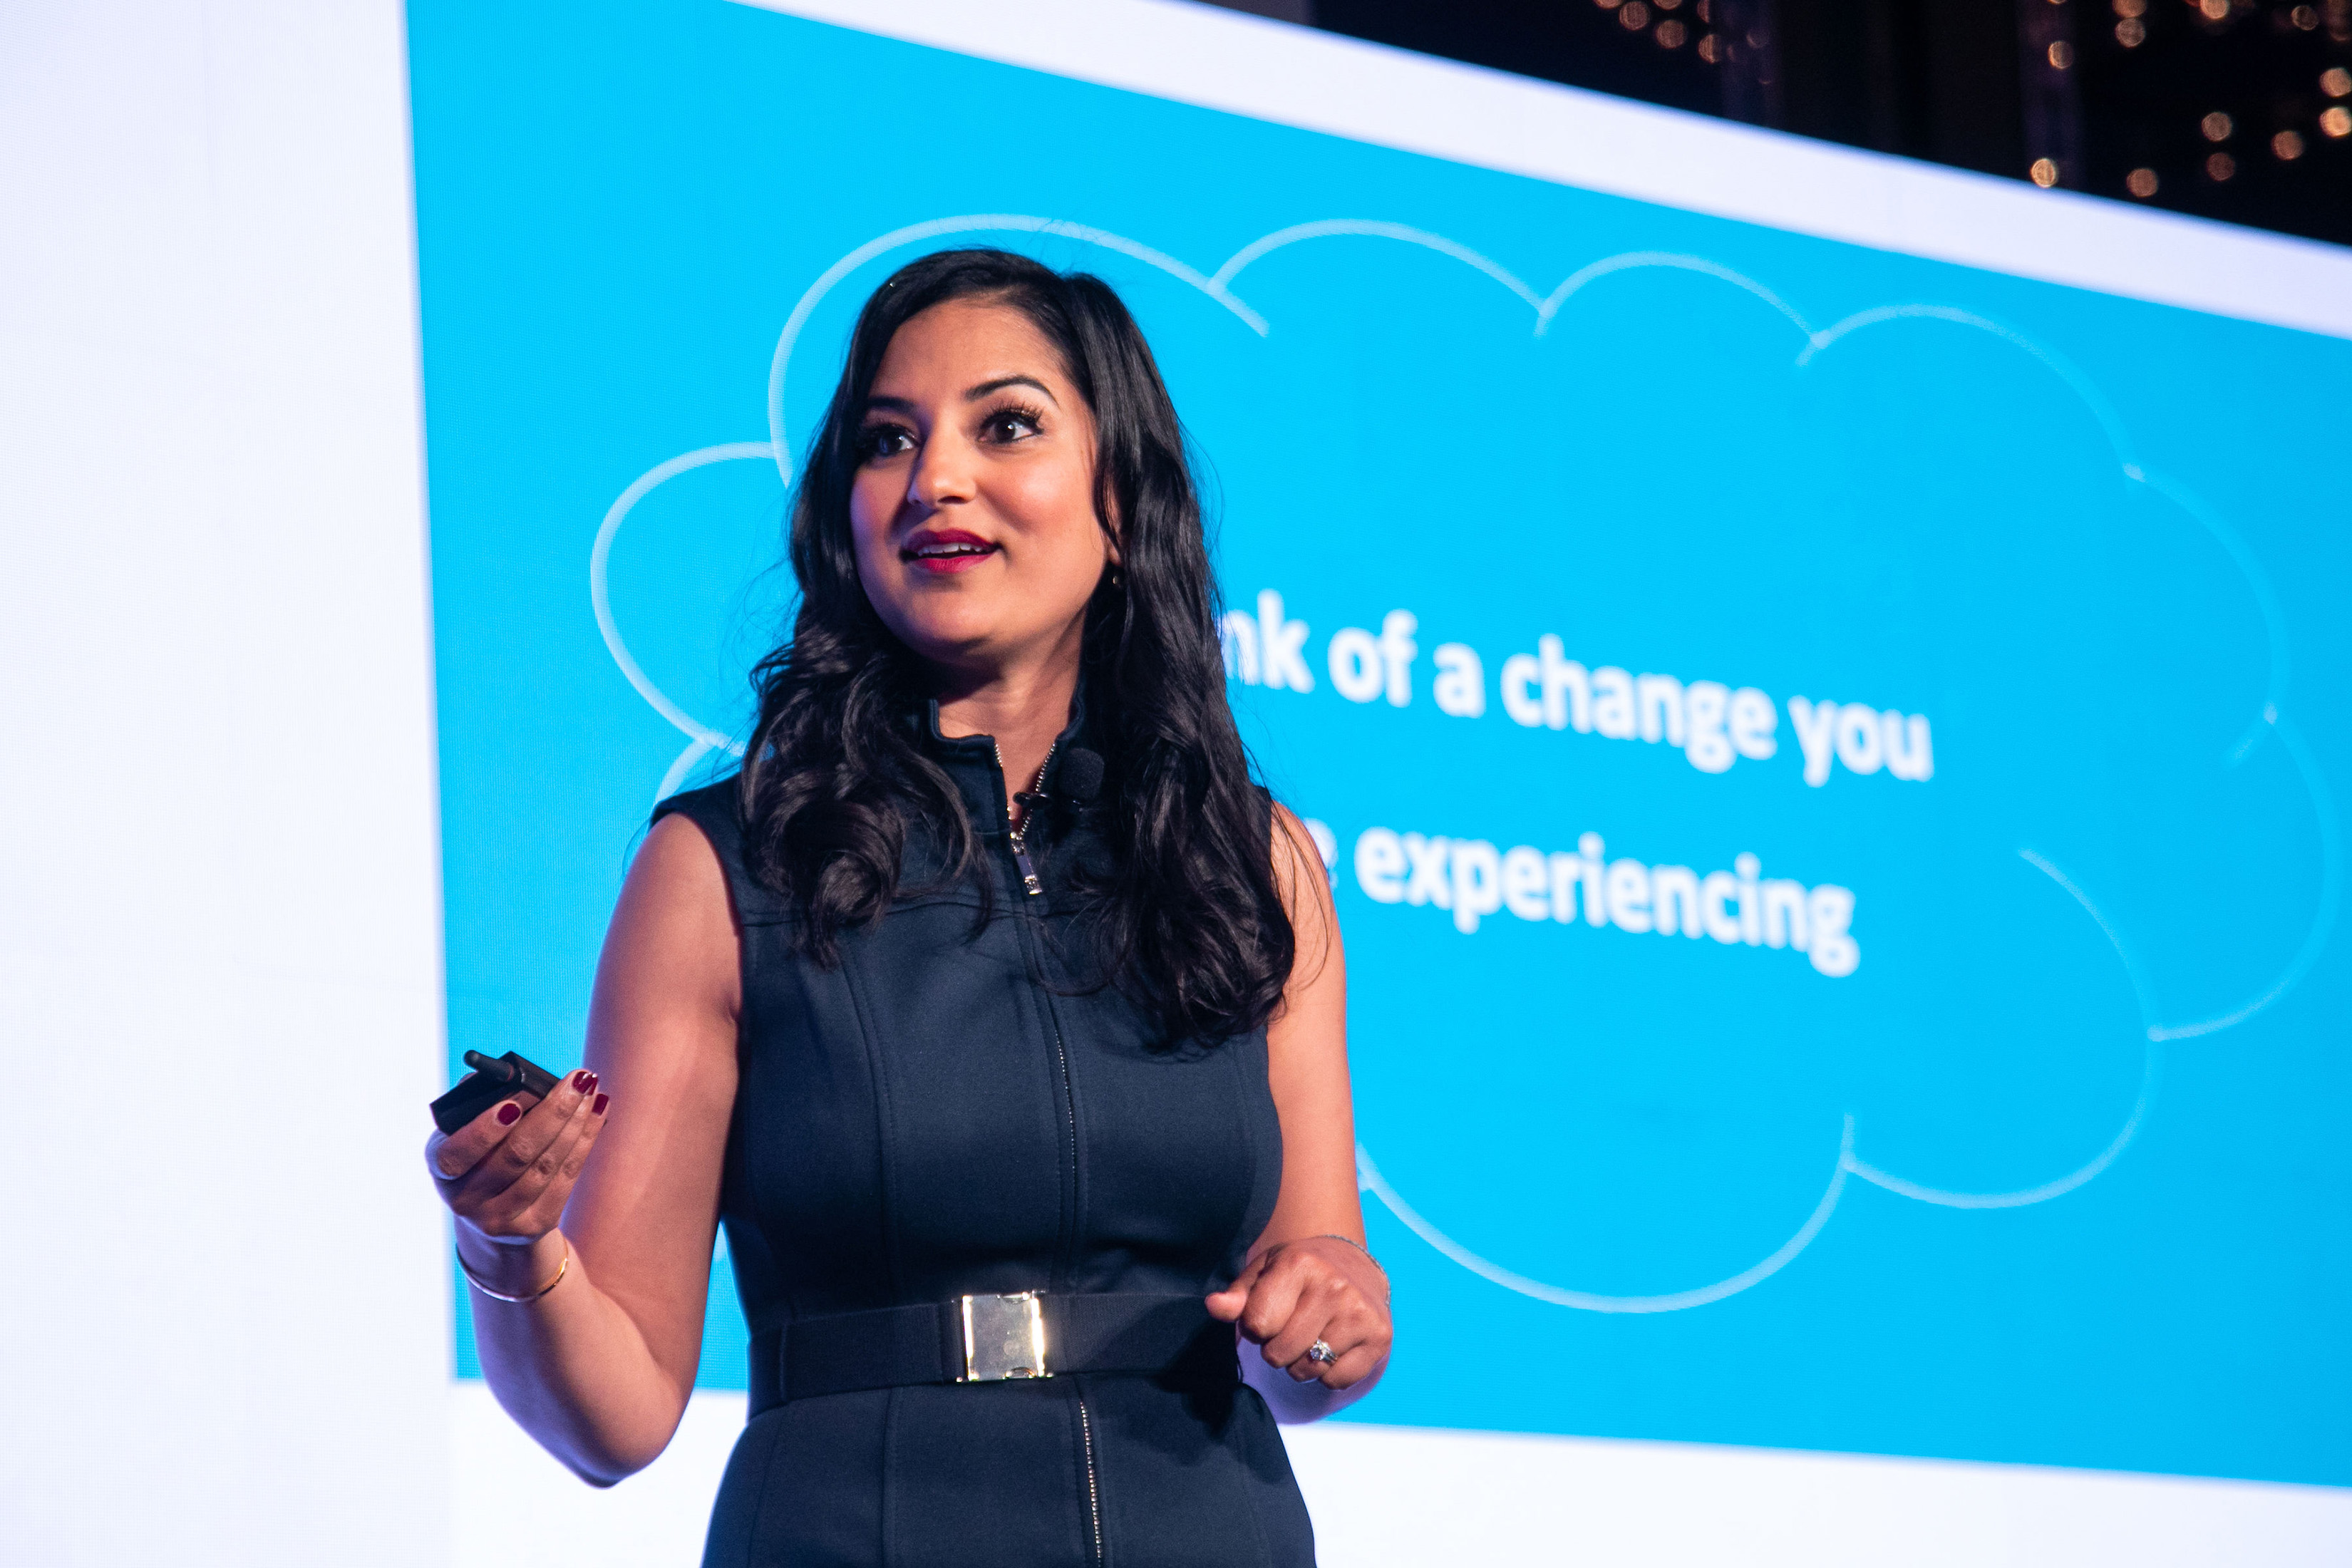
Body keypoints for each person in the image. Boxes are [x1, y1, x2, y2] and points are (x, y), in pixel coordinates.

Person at [423, 248, 1392, 1565]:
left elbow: (1308, 1340)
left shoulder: (1254, 860)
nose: (937, 477)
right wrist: (510, 1243)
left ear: (1118, 493)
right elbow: (615, 1420)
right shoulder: (722, 864)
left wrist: (1336, 1304)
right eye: (890, 440)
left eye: (1006, 425)